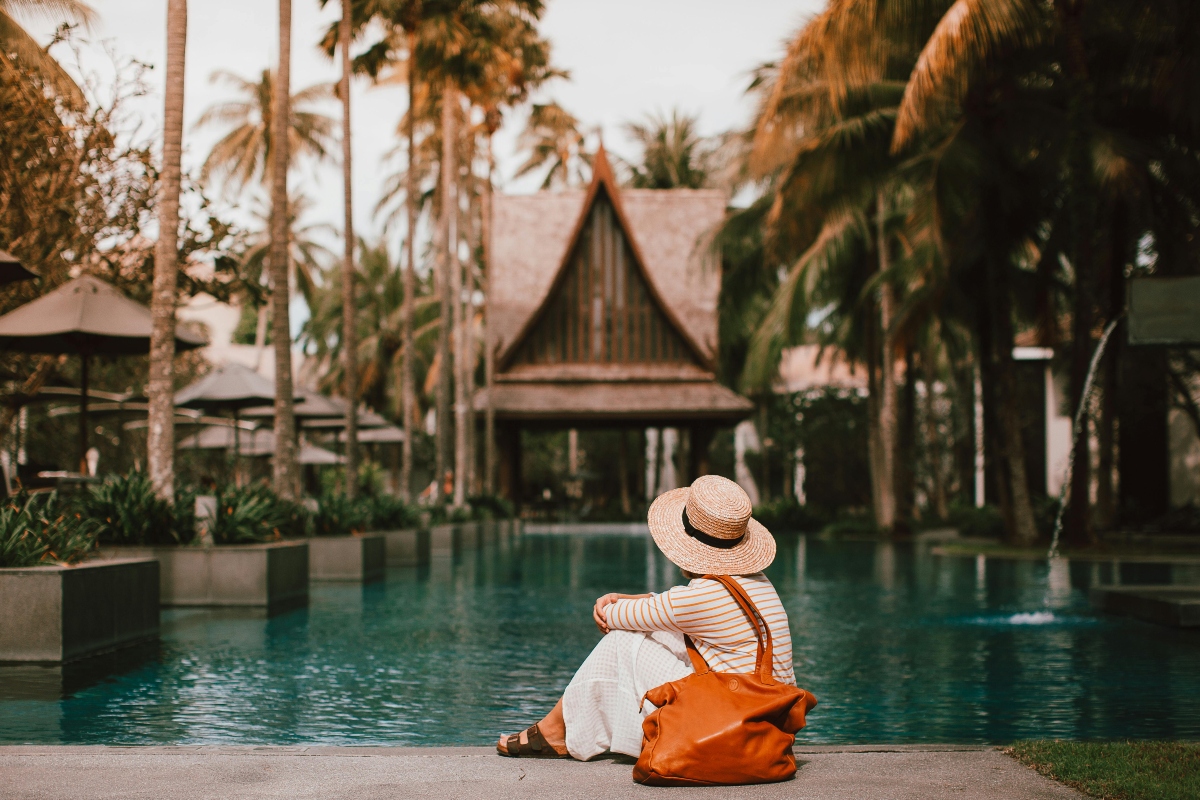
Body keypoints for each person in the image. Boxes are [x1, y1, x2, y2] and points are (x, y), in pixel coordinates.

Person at [497, 474, 795, 759]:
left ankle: (553, 730)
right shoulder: (753, 581)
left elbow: (618, 617)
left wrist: (608, 604)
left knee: (623, 641)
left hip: (733, 724)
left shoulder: (701, 597)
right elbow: (669, 608)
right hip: (768, 720)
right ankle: (562, 728)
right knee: (662, 633)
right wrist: (625, 598)